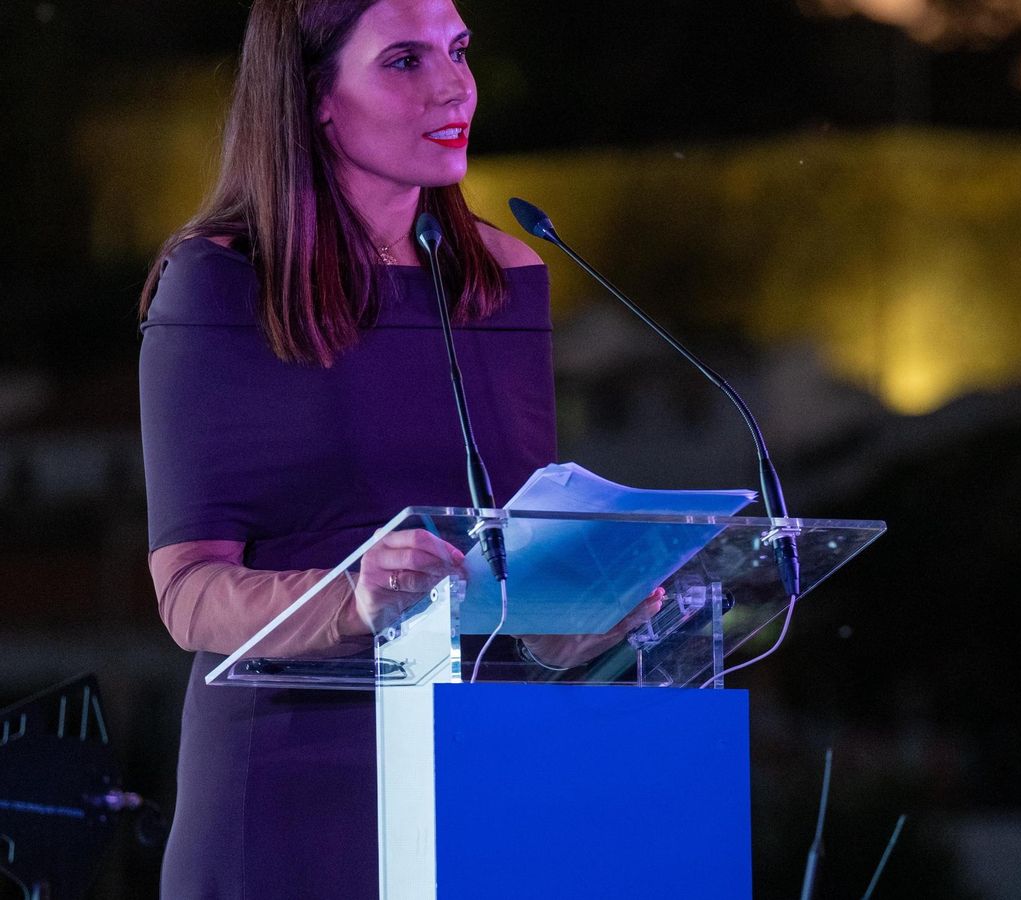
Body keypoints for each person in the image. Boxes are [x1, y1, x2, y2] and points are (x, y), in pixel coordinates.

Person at [137, 1, 656, 895]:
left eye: (458, 51)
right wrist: (354, 597)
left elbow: (509, 567)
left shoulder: (505, 276)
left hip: (487, 785)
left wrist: (592, 613)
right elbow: (188, 596)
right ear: (314, 98)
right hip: (294, 791)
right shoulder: (220, 281)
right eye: (406, 61)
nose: (455, 85)